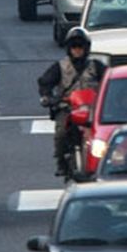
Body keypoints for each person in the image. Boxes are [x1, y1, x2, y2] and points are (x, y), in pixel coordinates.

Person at [37, 28, 100, 177]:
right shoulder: (60, 66)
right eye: (74, 47)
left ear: (86, 48)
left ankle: (104, 161)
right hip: (68, 108)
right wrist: (47, 97)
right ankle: (61, 162)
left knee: (103, 134)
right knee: (61, 133)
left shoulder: (96, 66)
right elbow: (45, 82)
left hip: (92, 109)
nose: (77, 50)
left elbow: (109, 81)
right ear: (68, 49)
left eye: (80, 47)